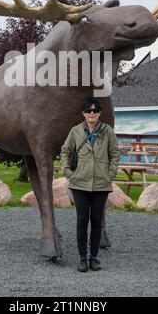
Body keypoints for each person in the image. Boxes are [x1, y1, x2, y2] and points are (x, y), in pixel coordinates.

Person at [60, 96, 120, 272]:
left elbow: (115, 154)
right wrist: (68, 172)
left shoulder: (107, 131)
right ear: (83, 113)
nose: (92, 114)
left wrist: (110, 174)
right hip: (79, 183)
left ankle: (93, 258)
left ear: (99, 113)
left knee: (96, 221)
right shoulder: (75, 131)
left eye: (95, 110)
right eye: (88, 110)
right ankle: (82, 258)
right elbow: (65, 151)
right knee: (81, 221)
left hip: (101, 184)